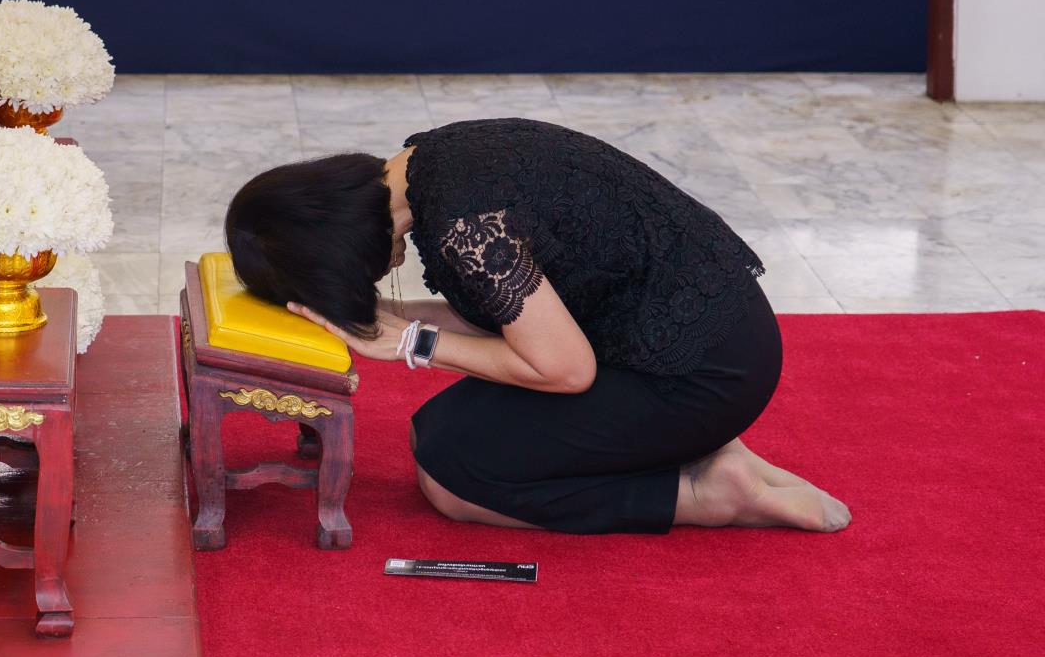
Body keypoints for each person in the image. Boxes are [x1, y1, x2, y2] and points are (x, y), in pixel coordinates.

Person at [224, 117, 850, 535]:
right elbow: (519, 310)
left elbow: (565, 370)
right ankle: (694, 446)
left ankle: (707, 496)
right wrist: (402, 318)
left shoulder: (466, 226)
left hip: (698, 373)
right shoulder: (433, 159)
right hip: (703, 329)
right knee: (437, 432)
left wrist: (413, 344)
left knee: (454, 479)